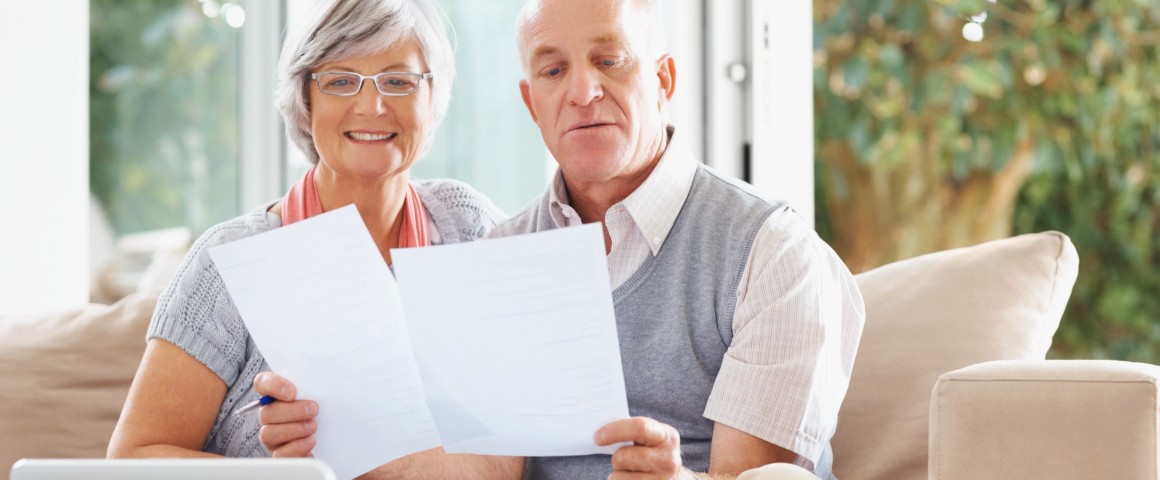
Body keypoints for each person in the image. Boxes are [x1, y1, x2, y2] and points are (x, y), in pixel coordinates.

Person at [257, 0, 864, 478]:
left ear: (664, 79)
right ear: (531, 101)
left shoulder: (772, 249)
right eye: (553, 70)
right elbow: (484, 468)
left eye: (610, 60)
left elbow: (759, 477)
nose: (582, 92)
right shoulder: (500, 252)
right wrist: (322, 450)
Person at [106, 0, 512, 475]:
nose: (371, 105)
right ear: (305, 100)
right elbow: (132, 460)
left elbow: (521, 416)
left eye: (398, 81)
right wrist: (284, 472)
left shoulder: (471, 228)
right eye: (340, 81)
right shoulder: (230, 262)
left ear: (433, 96)